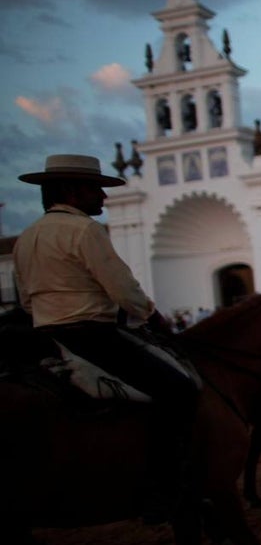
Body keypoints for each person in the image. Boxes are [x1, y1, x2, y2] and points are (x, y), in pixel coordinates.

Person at [13, 153, 198, 520]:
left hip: (44, 336)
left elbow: (24, 297)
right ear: (71, 191)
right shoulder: (85, 231)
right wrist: (153, 316)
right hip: (92, 336)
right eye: (95, 189)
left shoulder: (26, 237)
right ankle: (163, 484)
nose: (103, 197)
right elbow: (121, 287)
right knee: (179, 390)